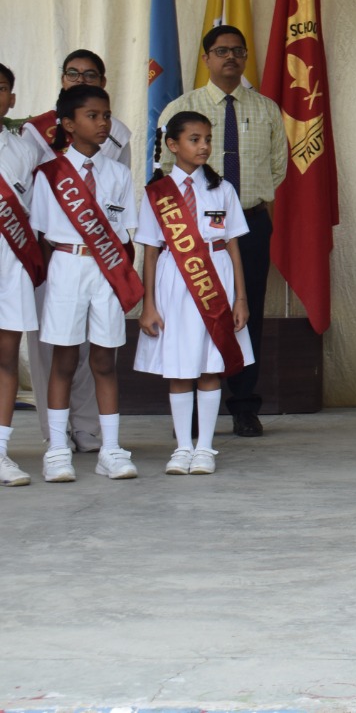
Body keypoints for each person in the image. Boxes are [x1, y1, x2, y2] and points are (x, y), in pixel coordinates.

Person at [158, 26, 286, 438]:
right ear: (206, 59)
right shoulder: (181, 108)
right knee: (195, 312)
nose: (230, 57)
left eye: (237, 51)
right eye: (221, 51)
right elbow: (165, 172)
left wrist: (240, 204)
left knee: (246, 313)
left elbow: (278, 168)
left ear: (246, 57)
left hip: (249, 224)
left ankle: (244, 405)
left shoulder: (266, 109)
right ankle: (195, 407)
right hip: (192, 231)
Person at [21, 50, 135, 453]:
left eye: (89, 74)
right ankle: (54, 435)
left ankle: (89, 428)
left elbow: (118, 209)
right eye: (72, 73)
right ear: (62, 79)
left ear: (103, 81)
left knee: (97, 351)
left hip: (102, 258)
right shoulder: (34, 132)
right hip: (54, 257)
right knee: (54, 350)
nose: (80, 78)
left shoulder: (117, 135)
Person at [134, 112, 254, 477]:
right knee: (180, 366)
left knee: (209, 364)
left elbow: (233, 245)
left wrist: (241, 298)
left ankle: (204, 447)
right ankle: (182, 446)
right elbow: (150, 251)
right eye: (194, 139)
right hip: (174, 280)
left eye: (207, 139)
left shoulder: (222, 189)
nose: (204, 146)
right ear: (173, 145)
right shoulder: (157, 193)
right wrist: (148, 304)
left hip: (215, 278)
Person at [0, 63, 45, 486]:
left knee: (6, 356)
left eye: (0, 88)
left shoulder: (25, 151)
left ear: (12, 98)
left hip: (11, 264)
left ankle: (0, 451)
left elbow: (35, 212)